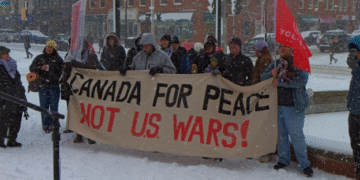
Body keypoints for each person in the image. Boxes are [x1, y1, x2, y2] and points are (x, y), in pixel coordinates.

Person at [261, 44, 313, 177]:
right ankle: (284, 160)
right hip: (278, 106)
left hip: (294, 107)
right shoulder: (276, 64)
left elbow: (301, 81)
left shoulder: (299, 63)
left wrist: (280, 82)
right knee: (281, 135)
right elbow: (263, 77)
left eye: (286, 46)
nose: (282, 49)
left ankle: (304, 164)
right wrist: (271, 74)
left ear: (292, 48)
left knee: (296, 136)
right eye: (280, 47)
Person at [60, 39, 104, 144]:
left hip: (89, 88)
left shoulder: (92, 56)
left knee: (89, 112)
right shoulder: (71, 55)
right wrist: (64, 82)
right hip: (76, 87)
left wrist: (79, 66)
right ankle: (78, 134)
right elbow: (66, 69)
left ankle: (90, 135)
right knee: (77, 111)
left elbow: (93, 68)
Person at [29, 40, 64, 133]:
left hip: (54, 86)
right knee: (43, 106)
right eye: (48, 47)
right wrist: (40, 67)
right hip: (43, 85)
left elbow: (62, 72)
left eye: (51, 47)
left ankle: (54, 124)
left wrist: (55, 77)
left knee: (54, 106)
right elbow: (31, 68)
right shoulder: (40, 58)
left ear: (54, 49)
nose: (49, 49)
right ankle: (45, 124)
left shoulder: (58, 59)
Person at [250, 41, 274, 163]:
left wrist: (257, 89)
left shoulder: (265, 60)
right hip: (260, 95)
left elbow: (263, 79)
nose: (255, 52)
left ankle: (266, 151)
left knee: (264, 124)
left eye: (257, 50)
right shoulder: (263, 59)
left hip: (263, 96)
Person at [0, 46, 28, 148]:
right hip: (4, 98)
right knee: (3, 120)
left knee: (16, 118)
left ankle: (12, 139)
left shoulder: (12, 65)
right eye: (4, 54)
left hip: (16, 96)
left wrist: (22, 96)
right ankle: (1, 139)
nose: (7, 55)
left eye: (8, 53)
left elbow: (18, 82)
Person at [346, 35, 360, 180]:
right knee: (355, 145)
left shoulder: (357, 70)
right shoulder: (356, 70)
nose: (354, 56)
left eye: (355, 52)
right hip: (354, 112)